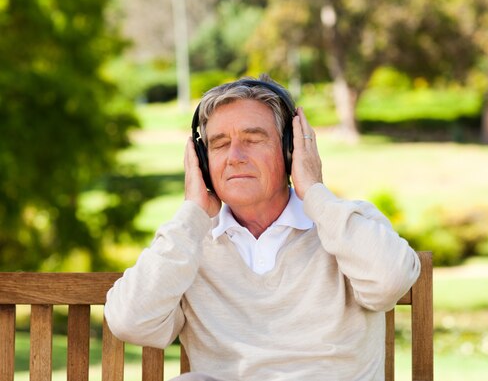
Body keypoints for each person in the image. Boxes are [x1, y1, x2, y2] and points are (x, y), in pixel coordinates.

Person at [104, 74, 420, 381]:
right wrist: (193, 213)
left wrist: (313, 191)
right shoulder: (188, 243)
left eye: (253, 140)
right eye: (219, 144)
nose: (234, 157)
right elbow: (130, 321)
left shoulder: (349, 224)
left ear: (291, 149)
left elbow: (390, 280)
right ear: (201, 160)